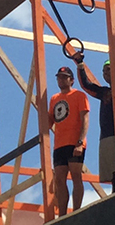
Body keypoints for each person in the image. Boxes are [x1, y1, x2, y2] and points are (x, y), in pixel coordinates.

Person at [72, 53, 115, 193]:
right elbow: (87, 85)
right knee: (112, 170)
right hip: (106, 135)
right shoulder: (105, 92)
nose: (106, 73)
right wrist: (80, 65)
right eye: (104, 71)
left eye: (108, 69)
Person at [48, 66, 90, 216]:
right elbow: (50, 121)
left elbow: (85, 118)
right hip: (59, 143)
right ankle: (63, 214)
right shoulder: (54, 99)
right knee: (59, 179)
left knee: (76, 175)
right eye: (59, 77)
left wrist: (80, 142)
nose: (61, 79)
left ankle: (76, 211)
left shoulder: (79, 95)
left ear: (71, 80)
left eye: (64, 77)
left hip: (74, 141)